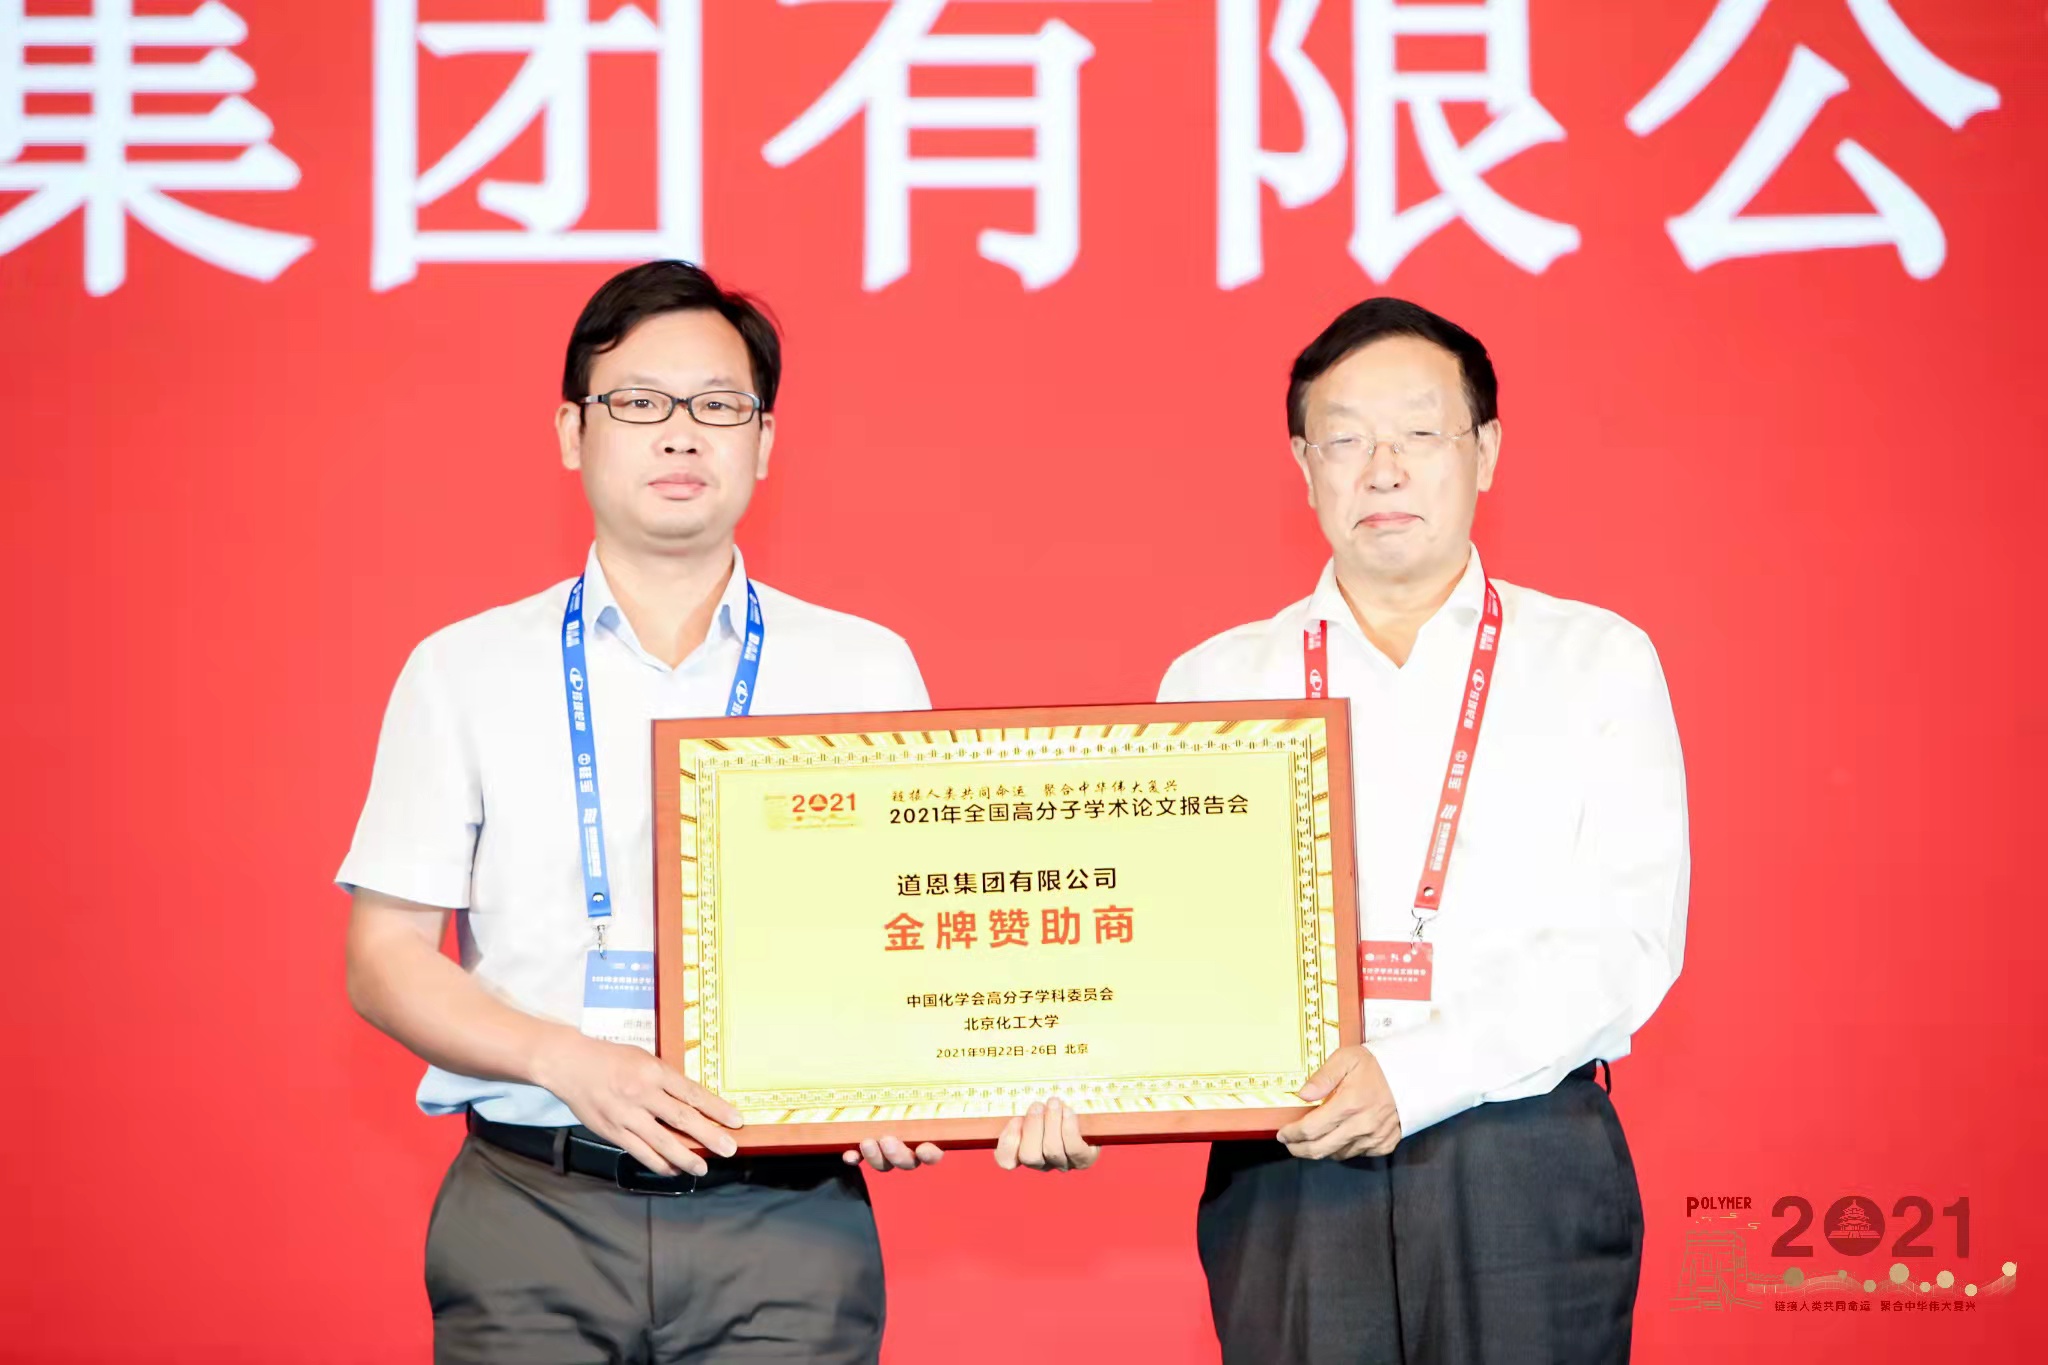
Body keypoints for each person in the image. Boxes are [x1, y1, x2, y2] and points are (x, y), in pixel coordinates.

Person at [998, 298, 1689, 1365]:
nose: (1383, 469)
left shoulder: (1595, 660)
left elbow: (1628, 942)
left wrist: (1415, 1074)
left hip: (1519, 1157)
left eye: (1419, 432)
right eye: (1346, 439)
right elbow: (1152, 945)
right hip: (1291, 1161)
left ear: (1485, 451)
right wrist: (1071, 1077)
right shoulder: (1216, 684)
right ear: (1302, 464)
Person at [340, 260, 941, 1364]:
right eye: (639, 402)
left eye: (718, 405)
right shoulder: (463, 668)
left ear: (763, 442)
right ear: (573, 432)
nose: (681, 433)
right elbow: (384, 957)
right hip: (533, 1209)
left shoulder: (862, 667)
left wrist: (919, 1076)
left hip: (787, 1221)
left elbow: (917, 931)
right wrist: (566, 1060)